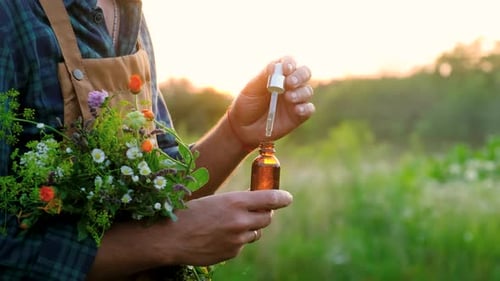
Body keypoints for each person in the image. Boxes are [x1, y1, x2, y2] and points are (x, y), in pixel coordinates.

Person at [0, 0, 315, 280]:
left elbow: (158, 192)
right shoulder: (10, 15)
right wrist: (167, 241)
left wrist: (235, 133)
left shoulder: (129, 15)